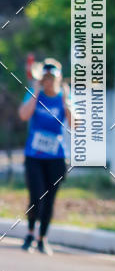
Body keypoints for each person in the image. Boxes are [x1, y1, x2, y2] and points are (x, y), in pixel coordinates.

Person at [18, 58, 71, 255]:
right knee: (36, 196)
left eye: (52, 78)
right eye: (45, 78)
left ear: (58, 79)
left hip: (56, 157)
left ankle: (43, 238)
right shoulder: (34, 94)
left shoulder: (65, 96)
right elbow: (24, 115)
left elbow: (75, 124)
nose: (48, 82)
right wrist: (35, 91)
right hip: (34, 156)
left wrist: (66, 101)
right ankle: (30, 234)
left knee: (49, 199)